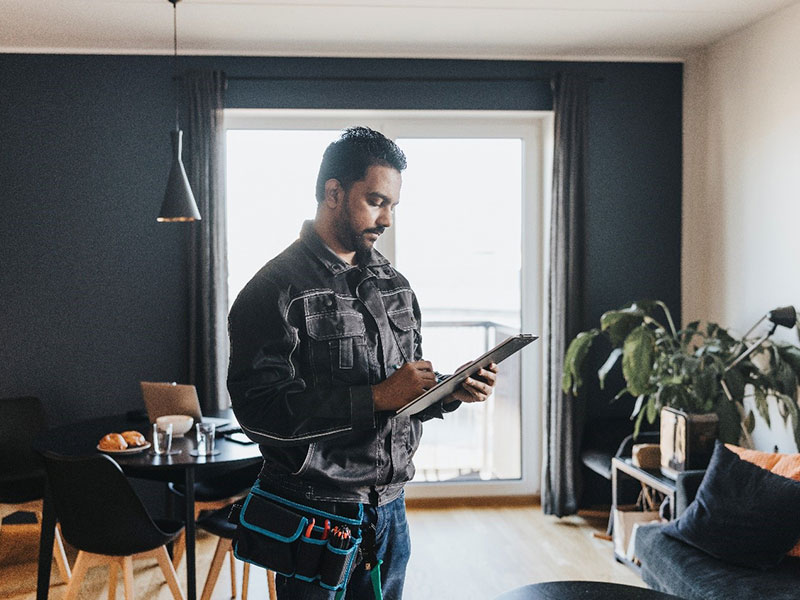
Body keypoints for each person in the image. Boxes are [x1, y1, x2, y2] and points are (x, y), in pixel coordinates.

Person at [227, 126, 498, 599]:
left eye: (392, 205)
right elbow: (260, 412)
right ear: (333, 193)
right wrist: (375, 397)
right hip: (315, 511)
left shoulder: (395, 284)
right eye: (376, 201)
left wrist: (448, 394)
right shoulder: (273, 290)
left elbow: (402, 396)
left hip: (390, 508)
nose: (387, 219)